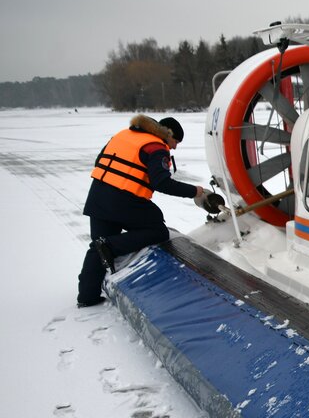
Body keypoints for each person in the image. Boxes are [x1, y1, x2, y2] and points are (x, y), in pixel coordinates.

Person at [76, 114, 224, 307]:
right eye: (175, 141)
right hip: (125, 201)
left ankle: (87, 297)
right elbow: (162, 183)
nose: (175, 147)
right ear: (167, 134)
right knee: (157, 231)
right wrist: (194, 191)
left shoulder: (122, 135)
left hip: (97, 198)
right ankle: (110, 245)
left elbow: (100, 162)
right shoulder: (156, 147)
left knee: (97, 248)